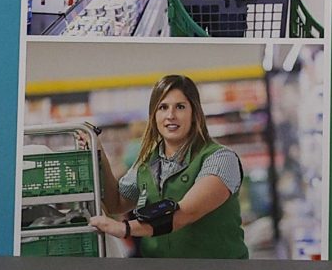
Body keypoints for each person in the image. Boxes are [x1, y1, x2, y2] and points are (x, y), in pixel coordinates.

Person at [87, 74, 248, 258]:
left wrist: (125, 228)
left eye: (180, 107)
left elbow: (186, 213)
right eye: (163, 107)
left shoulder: (220, 159)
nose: (171, 115)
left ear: (194, 113)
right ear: (154, 116)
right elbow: (116, 203)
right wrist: (97, 152)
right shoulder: (146, 163)